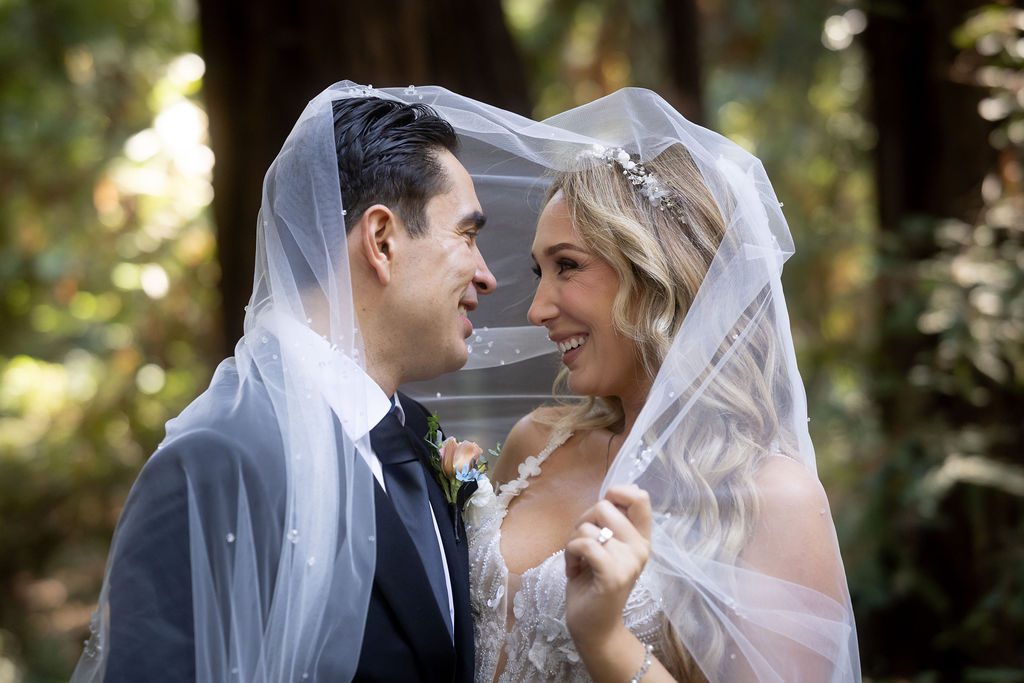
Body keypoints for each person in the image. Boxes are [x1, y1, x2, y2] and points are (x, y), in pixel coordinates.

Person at [72, 84, 496, 682]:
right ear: (382, 241)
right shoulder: (217, 456)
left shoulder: (417, 438)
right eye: (468, 235)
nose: (487, 275)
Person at [454, 95, 862, 681]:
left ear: (655, 276)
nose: (539, 307)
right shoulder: (536, 444)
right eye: (538, 272)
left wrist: (605, 639)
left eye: (567, 266)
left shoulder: (770, 497)